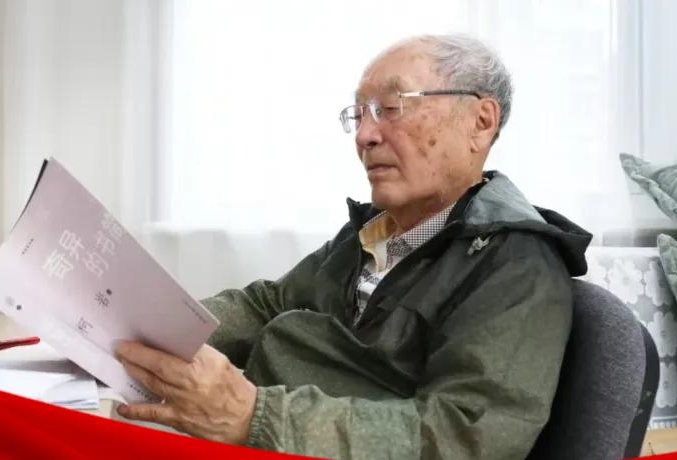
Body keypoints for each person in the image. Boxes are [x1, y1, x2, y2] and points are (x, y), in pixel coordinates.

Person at [114, 34, 592, 459]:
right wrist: (141, 331)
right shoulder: (376, 232)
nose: (365, 135)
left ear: (480, 122)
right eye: (359, 114)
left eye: (392, 107)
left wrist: (252, 415)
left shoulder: (517, 263)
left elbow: (465, 437)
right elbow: (267, 305)